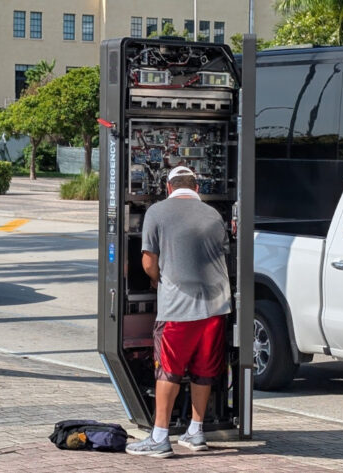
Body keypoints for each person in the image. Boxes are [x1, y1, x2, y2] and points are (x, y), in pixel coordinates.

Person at [125, 166, 232, 458]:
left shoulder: (157, 212)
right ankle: (196, 432)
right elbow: (222, 253)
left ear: (169, 188)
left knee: (168, 371)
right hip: (216, 307)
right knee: (204, 370)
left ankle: (160, 437)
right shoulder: (213, 215)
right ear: (196, 188)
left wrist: (158, 280)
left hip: (178, 308)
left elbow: (149, 262)